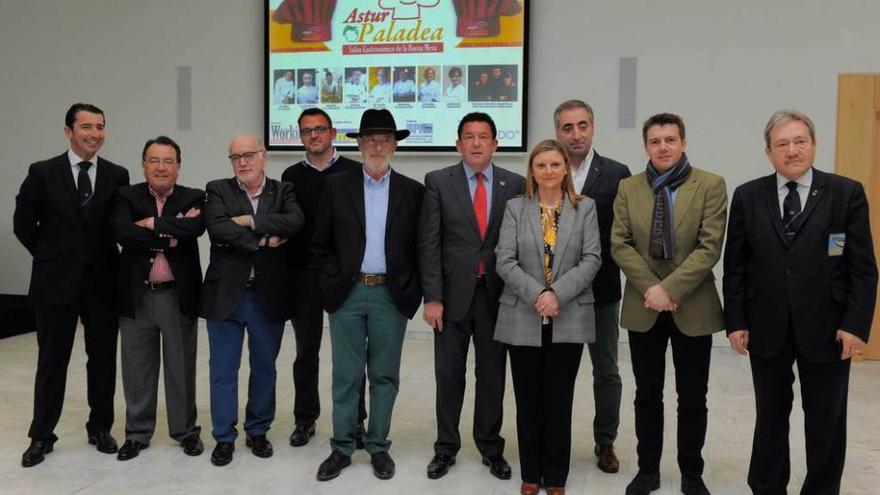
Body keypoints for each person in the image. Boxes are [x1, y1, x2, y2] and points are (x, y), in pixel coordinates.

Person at [723, 110, 878, 495]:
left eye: (799, 141)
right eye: (782, 144)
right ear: (768, 151)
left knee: (826, 421)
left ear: (813, 144)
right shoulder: (747, 195)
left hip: (828, 328)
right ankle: (767, 487)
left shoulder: (846, 193)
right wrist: (736, 320)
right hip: (766, 325)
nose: (792, 151)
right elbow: (735, 266)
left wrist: (856, 326)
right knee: (770, 418)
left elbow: (863, 268)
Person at [611, 113, 727, 495]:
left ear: (683, 143)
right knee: (647, 395)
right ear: (646, 146)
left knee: (693, 396)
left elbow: (710, 246)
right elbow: (620, 243)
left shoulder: (709, 185)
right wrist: (653, 289)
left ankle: (692, 473)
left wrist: (671, 289)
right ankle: (648, 470)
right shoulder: (629, 188)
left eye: (670, 140)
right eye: (655, 141)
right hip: (644, 306)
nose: (663, 147)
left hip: (693, 306)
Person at [15, 103, 130, 467]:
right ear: (68, 131)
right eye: (86, 127)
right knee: (52, 361)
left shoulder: (117, 174)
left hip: (102, 282)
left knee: (102, 360)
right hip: (55, 283)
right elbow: (22, 223)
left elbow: (118, 224)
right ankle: (42, 435)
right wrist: (49, 255)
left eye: (100, 127)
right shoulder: (43, 172)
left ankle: (100, 427)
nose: (94, 134)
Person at [312, 109, 424, 481]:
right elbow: (319, 243)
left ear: (395, 145)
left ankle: (377, 445)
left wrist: (414, 292)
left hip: (390, 295)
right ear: (358, 144)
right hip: (348, 293)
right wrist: (329, 283)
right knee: (345, 375)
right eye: (370, 139)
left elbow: (421, 247)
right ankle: (342, 447)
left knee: (383, 375)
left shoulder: (413, 191)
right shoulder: (335, 186)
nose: (378, 146)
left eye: (385, 139)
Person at [418, 112, 525, 480]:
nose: (476, 143)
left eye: (483, 136)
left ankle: (491, 448)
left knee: (492, 375)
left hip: (498, 297)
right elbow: (429, 243)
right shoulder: (438, 182)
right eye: (469, 136)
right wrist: (432, 297)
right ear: (458, 143)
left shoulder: (516, 183)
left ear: (496, 144)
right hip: (450, 298)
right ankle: (445, 447)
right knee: (449, 375)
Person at [495, 139, 602, 495]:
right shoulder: (515, 208)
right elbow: (504, 260)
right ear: (532, 171)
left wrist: (557, 294)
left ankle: (555, 475)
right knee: (527, 399)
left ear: (565, 169)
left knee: (559, 398)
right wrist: (538, 294)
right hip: (522, 315)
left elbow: (592, 259)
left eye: (555, 164)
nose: (549, 171)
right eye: (541, 165)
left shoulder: (584, 207)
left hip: (568, 314)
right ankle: (531, 472)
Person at [201, 134, 304, 467]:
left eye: (248, 155)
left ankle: (257, 431)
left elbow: (295, 222)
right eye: (235, 157)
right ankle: (224, 437)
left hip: (267, 296)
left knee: (264, 369)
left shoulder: (283, 190)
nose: (242, 162)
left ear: (264, 156)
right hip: (225, 296)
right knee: (223, 371)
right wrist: (263, 239)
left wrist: (250, 221)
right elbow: (218, 229)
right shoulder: (217, 188)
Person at [112, 136, 205, 460]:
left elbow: (194, 230)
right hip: (137, 296)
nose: (161, 167)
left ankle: (185, 431)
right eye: (154, 160)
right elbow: (122, 232)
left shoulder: (195, 196)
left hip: (177, 296)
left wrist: (150, 224)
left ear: (178, 166)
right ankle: (137, 434)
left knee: (181, 367)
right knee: (137, 370)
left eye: (168, 161)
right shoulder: (126, 195)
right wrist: (172, 231)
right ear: (143, 164)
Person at [280, 109, 367, 448]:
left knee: (351, 353)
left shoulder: (353, 171)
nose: (313, 136)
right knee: (306, 351)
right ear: (300, 136)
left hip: (344, 275)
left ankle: (356, 422)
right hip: (303, 274)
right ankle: (305, 419)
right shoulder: (291, 175)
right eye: (306, 131)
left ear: (332, 133)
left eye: (319, 129)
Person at [553, 99, 630, 473]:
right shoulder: (547, 169)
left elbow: (624, 234)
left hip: (600, 292)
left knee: (607, 371)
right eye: (567, 127)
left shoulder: (617, 173)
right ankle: (555, 440)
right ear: (558, 133)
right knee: (556, 372)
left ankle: (605, 442)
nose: (576, 134)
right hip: (556, 295)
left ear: (593, 127)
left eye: (582, 125)